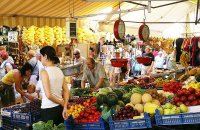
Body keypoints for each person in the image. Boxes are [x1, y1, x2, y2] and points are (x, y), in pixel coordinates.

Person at [39, 46, 69, 125]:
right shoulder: (59, 70)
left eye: (41, 56)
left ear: (45, 56)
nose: (40, 58)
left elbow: (48, 95)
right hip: (60, 109)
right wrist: (64, 106)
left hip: (48, 109)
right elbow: (66, 90)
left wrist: (61, 102)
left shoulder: (44, 72)